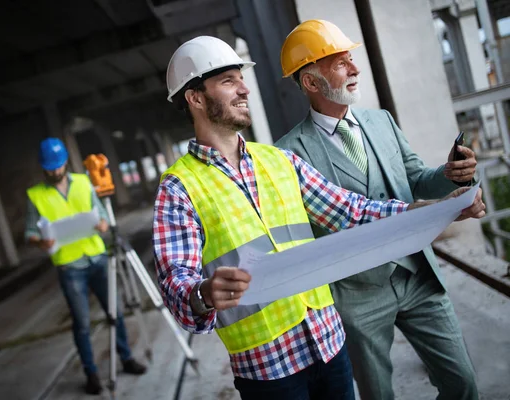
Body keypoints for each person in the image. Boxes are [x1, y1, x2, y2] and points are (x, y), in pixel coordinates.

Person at [152, 36, 485, 400]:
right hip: (268, 365)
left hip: (328, 342)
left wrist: (435, 211)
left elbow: (351, 210)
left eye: (241, 78)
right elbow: (175, 286)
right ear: (196, 97)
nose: (245, 89)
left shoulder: (279, 162)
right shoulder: (179, 188)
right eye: (228, 81)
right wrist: (204, 293)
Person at [275, 19, 480, 400]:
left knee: (462, 383)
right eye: (340, 63)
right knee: (378, 395)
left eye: (351, 59)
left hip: (418, 277)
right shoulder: (288, 154)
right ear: (311, 82)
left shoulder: (380, 121)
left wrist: (450, 175)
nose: (354, 69)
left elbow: (417, 178)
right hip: (358, 296)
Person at [25, 138, 146, 395]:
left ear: (65, 162)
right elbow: (28, 233)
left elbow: (101, 213)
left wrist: (103, 224)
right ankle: (91, 373)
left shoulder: (83, 182)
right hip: (69, 266)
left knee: (116, 312)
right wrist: (40, 241)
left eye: (57, 166)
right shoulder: (35, 195)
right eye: (49, 168)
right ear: (43, 167)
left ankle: (126, 358)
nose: (54, 172)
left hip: (96, 257)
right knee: (81, 324)